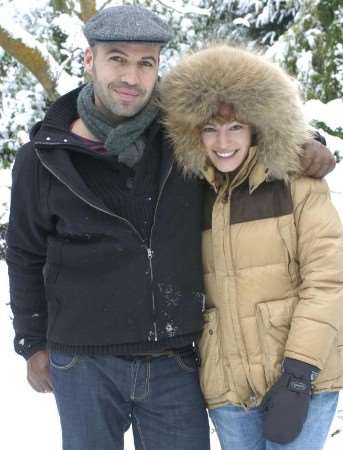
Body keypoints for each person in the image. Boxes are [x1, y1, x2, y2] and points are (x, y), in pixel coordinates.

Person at [6, 4, 335, 450]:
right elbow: (25, 253)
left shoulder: (183, 138)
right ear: (90, 60)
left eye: (146, 63)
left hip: (172, 362)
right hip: (82, 360)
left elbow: (242, 128)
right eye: (117, 58)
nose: (132, 76)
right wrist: (32, 341)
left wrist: (303, 142)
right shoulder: (43, 158)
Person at [160, 43, 343, 450]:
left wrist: (298, 375)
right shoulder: (192, 193)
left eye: (235, 127)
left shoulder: (297, 182)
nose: (222, 141)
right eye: (210, 128)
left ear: (257, 126)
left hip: (302, 381)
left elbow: (329, 281)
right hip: (229, 390)